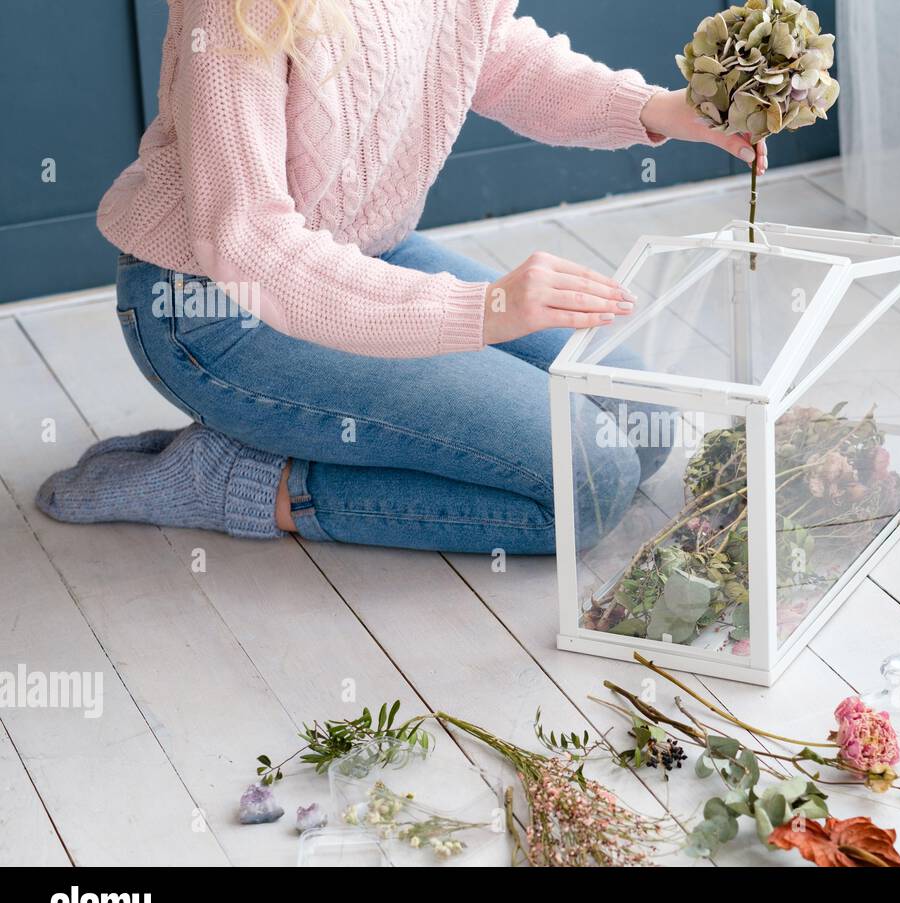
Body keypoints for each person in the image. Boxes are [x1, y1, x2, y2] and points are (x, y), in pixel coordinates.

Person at [37, 0, 766, 554]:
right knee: (589, 484)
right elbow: (251, 243)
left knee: (641, 420)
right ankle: (230, 477)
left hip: (362, 257)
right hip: (216, 312)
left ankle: (302, 432)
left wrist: (664, 110)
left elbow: (495, 55)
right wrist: (480, 310)